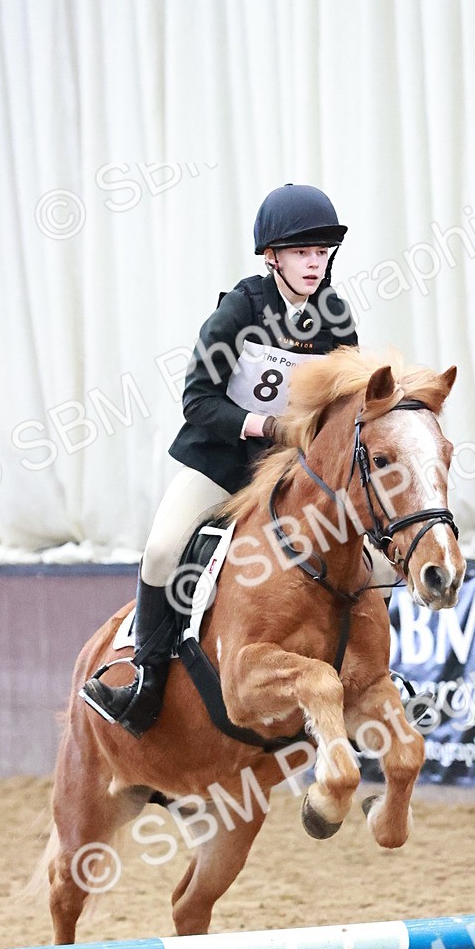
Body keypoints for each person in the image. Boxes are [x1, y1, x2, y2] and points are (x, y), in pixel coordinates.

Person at [81, 183, 362, 737]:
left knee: (367, 547)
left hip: (293, 472)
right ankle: (146, 680)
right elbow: (198, 401)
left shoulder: (335, 318)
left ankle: (375, 673)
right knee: (163, 550)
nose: (314, 262)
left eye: (321, 251)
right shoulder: (240, 309)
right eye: (301, 252)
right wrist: (266, 426)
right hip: (224, 463)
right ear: (272, 256)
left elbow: (348, 402)